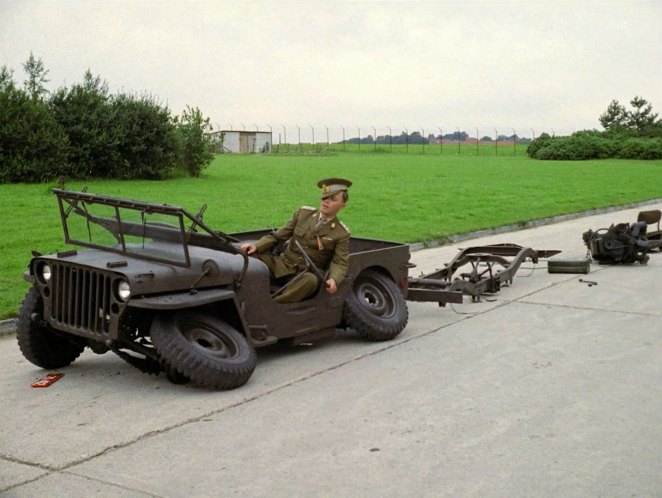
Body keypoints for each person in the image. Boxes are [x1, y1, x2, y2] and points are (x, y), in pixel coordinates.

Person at [241, 178, 352, 303]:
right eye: (324, 197)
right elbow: (278, 236)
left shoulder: (341, 233)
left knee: (311, 281)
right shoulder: (303, 214)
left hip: (303, 274)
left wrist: (334, 279)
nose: (326, 202)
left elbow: (340, 262)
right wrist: (257, 246)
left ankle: (273, 304)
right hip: (282, 264)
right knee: (249, 257)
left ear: (343, 205)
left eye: (333, 199)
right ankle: (243, 295)